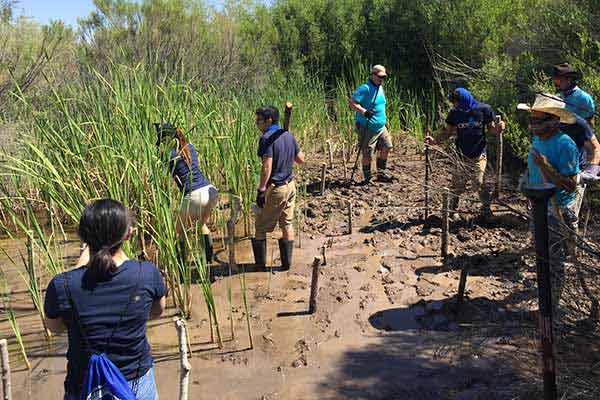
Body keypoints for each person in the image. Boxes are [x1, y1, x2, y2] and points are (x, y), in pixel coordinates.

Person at [43, 199, 167, 400]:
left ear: (82, 237)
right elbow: (158, 311)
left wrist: (82, 260)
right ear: (128, 234)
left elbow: (54, 326)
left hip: (84, 385)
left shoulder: (62, 285)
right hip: (135, 383)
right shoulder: (147, 274)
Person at [517, 94, 580, 321]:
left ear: (553, 121)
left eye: (537, 120)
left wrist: (545, 166)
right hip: (538, 206)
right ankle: (546, 303)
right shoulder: (539, 139)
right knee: (541, 256)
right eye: (531, 119)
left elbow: (571, 185)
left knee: (554, 262)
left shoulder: (565, 144)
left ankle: (551, 309)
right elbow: (533, 167)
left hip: (558, 210)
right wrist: (527, 184)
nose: (532, 124)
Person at [425, 88, 505, 218]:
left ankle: (486, 209)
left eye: (457, 102)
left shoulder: (484, 109)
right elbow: (447, 132)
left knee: (479, 182)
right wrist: (434, 140)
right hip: (461, 155)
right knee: (457, 185)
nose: (456, 105)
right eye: (454, 103)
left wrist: (499, 128)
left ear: (465, 99)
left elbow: (491, 130)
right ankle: (453, 210)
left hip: (479, 153)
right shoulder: (454, 113)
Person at [156, 123, 219, 263]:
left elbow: (164, 172)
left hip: (194, 195)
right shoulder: (189, 147)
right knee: (201, 225)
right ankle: (208, 262)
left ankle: (181, 267)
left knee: (180, 231)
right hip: (210, 191)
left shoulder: (168, 154)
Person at [252, 106, 305, 271]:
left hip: (276, 188)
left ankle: (260, 267)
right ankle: (286, 264)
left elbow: (266, 166)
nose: (256, 123)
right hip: (290, 186)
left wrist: (261, 190)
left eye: (259, 120)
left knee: (260, 227)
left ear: (269, 120)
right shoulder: (287, 135)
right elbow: (301, 159)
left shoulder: (266, 138)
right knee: (287, 224)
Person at [348, 65, 393, 183]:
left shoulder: (380, 88)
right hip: (367, 126)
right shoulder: (365, 88)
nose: (381, 79)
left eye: (383, 77)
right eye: (379, 77)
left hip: (381, 126)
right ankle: (368, 178)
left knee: (387, 146)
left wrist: (384, 120)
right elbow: (352, 102)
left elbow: (381, 106)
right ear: (373, 75)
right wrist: (364, 111)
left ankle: (381, 174)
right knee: (367, 153)